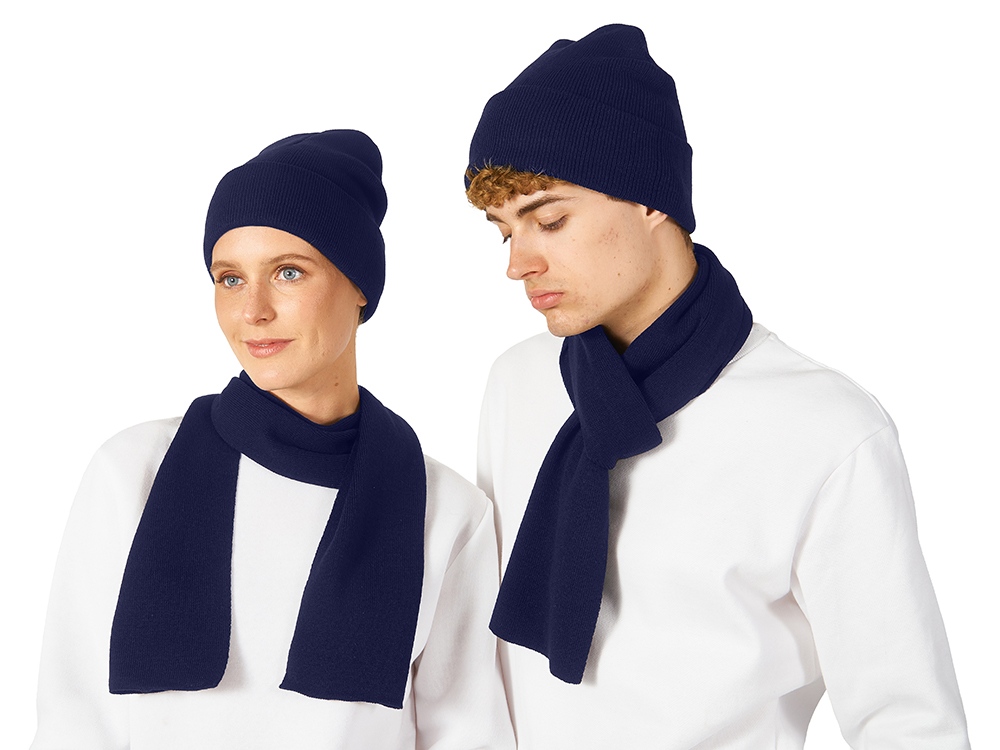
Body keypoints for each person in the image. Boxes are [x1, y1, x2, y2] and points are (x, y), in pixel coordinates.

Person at [465, 23, 970, 749]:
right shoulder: (518, 385)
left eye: (550, 219)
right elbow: (484, 667)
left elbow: (907, 720)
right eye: (503, 231)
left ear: (650, 200)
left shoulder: (825, 429)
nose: (518, 263)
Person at [32, 129, 514, 749]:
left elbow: (466, 734)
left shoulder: (446, 510)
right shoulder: (132, 471)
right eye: (229, 278)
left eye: (288, 272)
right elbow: (73, 720)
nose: (252, 310)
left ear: (360, 285)